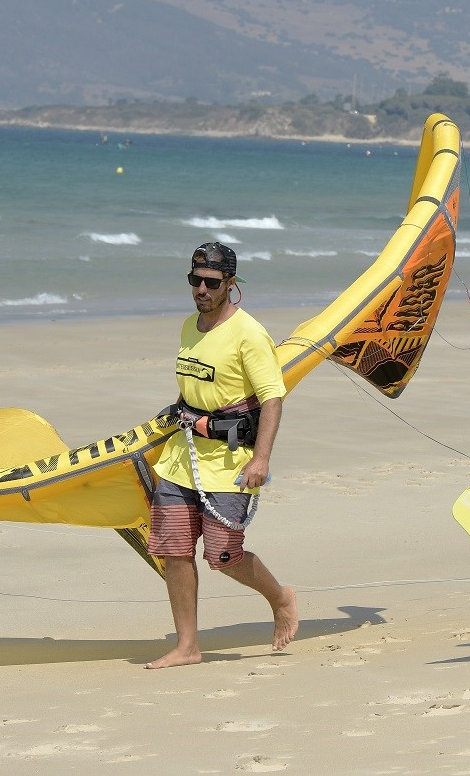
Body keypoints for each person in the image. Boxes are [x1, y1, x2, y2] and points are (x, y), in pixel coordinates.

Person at [145, 242, 298, 669]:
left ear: (231, 284)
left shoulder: (249, 333)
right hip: (182, 458)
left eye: (211, 283)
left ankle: (281, 597)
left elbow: (272, 398)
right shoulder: (189, 327)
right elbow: (191, 385)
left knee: (223, 556)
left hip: (230, 461)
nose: (201, 289)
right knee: (173, 549)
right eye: (195, 280)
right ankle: (187, 646)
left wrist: (261, 459)